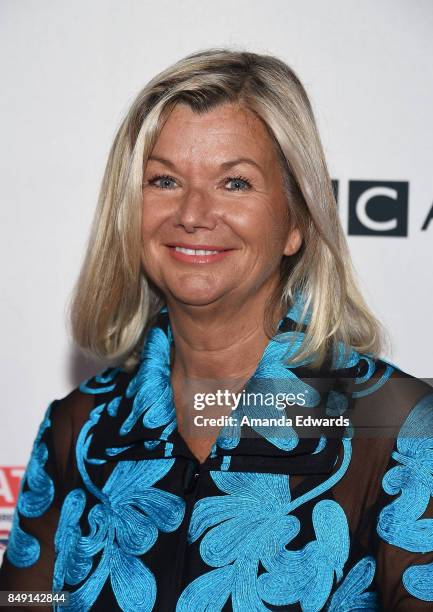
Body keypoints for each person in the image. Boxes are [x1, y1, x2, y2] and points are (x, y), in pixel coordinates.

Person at [0, 47, 432, 612]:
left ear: (296, 222)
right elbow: (26, 603)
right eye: (163, 180)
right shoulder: (79, 428)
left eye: (235, 183)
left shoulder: (402, 430)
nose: (193, 212)